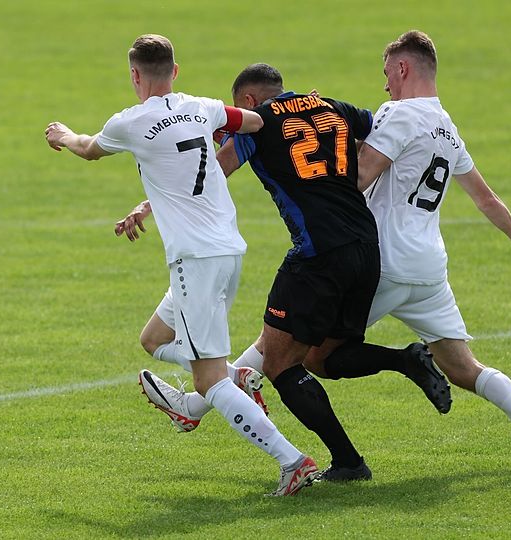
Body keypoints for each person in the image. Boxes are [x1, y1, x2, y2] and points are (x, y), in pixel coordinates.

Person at [120, 63, 454, 483]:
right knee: (323, 358)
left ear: (247, 101)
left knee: (278, 363)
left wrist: (147, 205)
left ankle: (334, 460)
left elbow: (210, 173)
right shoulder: (332, 106)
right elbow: (381, 128)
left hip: (317, 256)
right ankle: (404, 361)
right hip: (367, 248)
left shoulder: (257, 124)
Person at [45, 34, 319, 496]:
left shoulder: (130, 121)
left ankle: (291, 461)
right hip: (227, 251)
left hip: (195, 259)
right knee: (153, 339)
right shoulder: (204, 107)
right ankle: (237, 375)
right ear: (175, 71)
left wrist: (62, 135)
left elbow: (88, 148)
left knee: (208, 381)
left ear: (135, 75)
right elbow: (255, 120)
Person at [336, 29, 511, 466]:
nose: (385, 85)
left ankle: (213, 396)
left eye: (387, 73)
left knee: (294, 342)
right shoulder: (447, 130)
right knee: (465, 369)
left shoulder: (398, 114)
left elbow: (359, 178)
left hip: (383, 263)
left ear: (403, 68)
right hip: (428, 270)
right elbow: (486, 198)